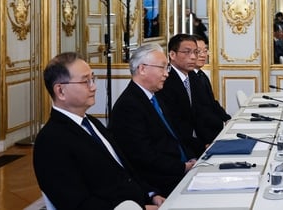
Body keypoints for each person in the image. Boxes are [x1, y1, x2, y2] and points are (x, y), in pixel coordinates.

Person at [34, 52, 165, 210]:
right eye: (85, 82)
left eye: (93, 79)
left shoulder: (92, 122)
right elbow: (77, 203)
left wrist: (151, 194)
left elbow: (124, 169)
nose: (94, 87)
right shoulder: (51, 141)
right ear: (60, 91)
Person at [109, 43, 196, 194]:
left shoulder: (155, 97)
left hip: (181, 169)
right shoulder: (129, 106)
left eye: (167, 68)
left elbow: (176, 137)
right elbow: (144, 156)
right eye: (162, 67)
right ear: (142, 69)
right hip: (162, 182)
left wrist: (194, 159)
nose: (166, 74)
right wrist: (183, 168)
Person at [159, 34, 205, 157]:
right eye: (187, 52)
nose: (193, 57)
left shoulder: (193, 76)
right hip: (182, 149)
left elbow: (203, 110)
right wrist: (202, 146)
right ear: (172, 55)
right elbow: (176, 125)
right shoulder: (166, 82)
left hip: (198, 141)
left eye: (196, 52)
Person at [191, 34, 231, 145]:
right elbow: (199, 114)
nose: (203, 55)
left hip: (214, 130)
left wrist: (227, 119)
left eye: (205, 51)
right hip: (205, 137)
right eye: (198, 52)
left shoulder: (202, 75)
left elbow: (212, 102)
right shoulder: (188, 79)